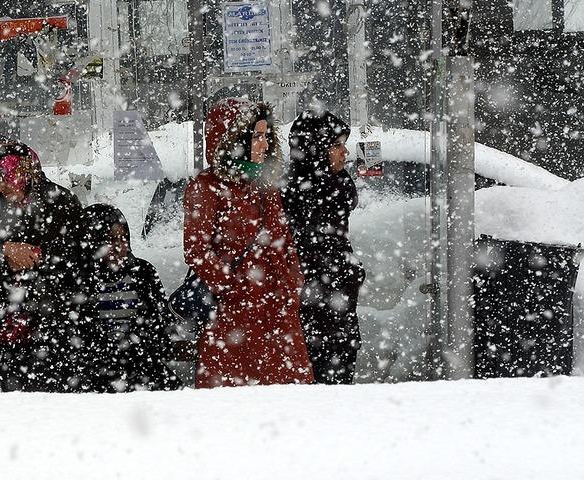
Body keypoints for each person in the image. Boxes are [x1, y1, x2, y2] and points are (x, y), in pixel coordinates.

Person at [183, 97, 314, 388]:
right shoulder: (206, 187)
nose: (264, 144)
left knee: (285, 397)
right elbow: (197, 250)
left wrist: (292, 285)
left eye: (266, 136)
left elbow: (284, 241)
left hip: (277, 310)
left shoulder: (265, 184)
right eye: (256, 136)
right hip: (233, 314)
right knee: (235, 398)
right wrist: (232, 288)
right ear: (233, 142)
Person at [0, 142, 82, 392]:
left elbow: (75, 259)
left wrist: (35, 258)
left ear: (23, 173)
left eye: (3, 178)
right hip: (2, 331)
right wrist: (4, 250)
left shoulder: (60, 202)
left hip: (50, 328)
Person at [282, 109, 366, 385]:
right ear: (316, 149)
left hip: (335, 315)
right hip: (315, 318)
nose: (345, 152)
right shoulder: (301, 194)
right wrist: (347, 273)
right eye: (337, 145)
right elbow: (315, 256)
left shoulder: (333, 185)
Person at [71, 204, 182, 393]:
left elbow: (160, 328)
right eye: (109, 240)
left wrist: (134, 346)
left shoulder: (142, 273)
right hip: (94, 375)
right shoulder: (79, 280)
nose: (118, 247)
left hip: (141, 367)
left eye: (122, 239)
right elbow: (78, 339)